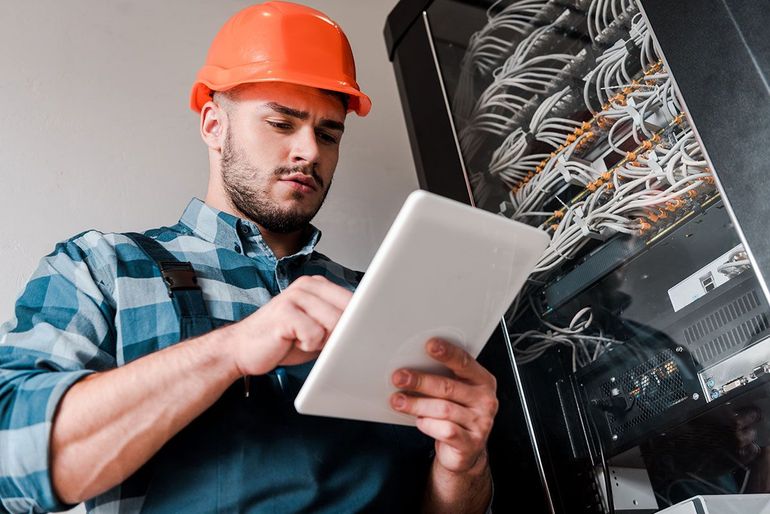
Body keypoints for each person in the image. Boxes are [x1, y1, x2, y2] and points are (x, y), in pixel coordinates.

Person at [0, 2, 498, 513]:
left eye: (328, 134)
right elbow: (9, 461)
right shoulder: (104, 268)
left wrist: (465, 466)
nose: (309, 150)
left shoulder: (379, 299)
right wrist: (230, 351)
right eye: (282, 123)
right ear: (214, 126)